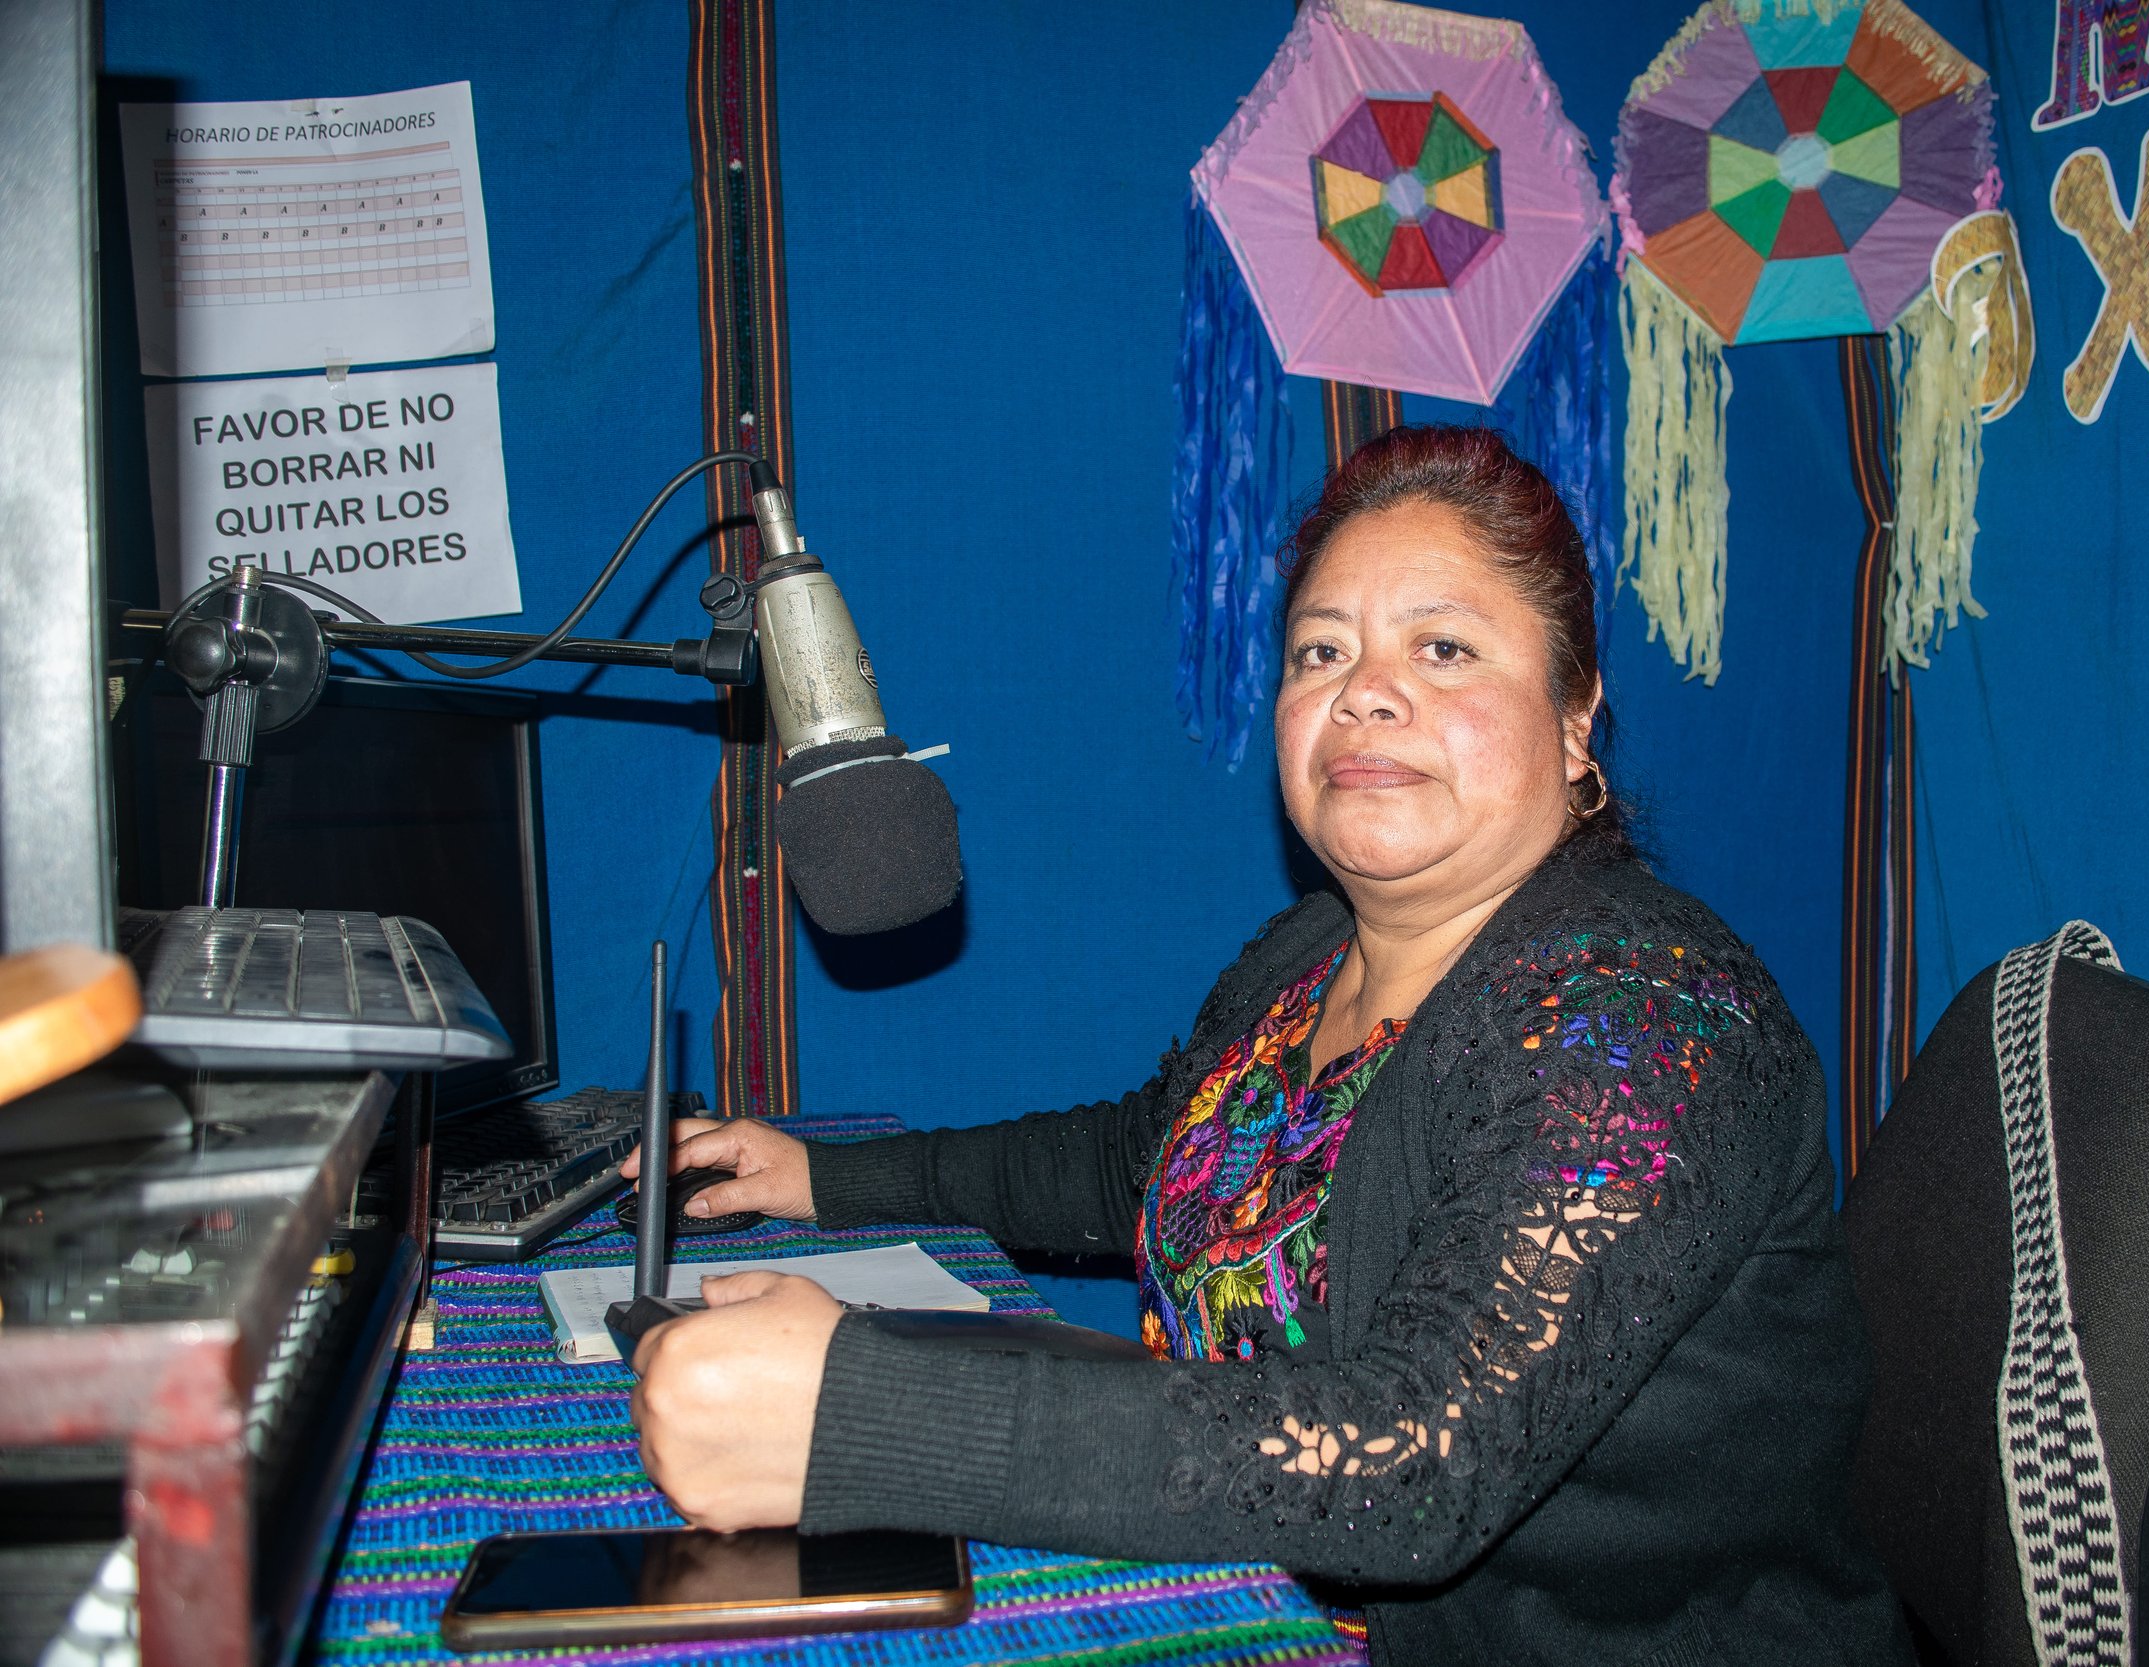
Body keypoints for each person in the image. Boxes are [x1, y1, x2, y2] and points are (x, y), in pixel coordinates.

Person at [622, 427, 1910, 1666]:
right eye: (1320, 651)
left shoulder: (1646, 1016)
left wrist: (868, 1422)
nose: (1366, 693)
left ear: (1576, 721)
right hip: (1232, 1593)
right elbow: (1137, 1164)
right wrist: (820, 1178)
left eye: (1445, 647)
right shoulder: (1307, 958)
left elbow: (1419, 1456)